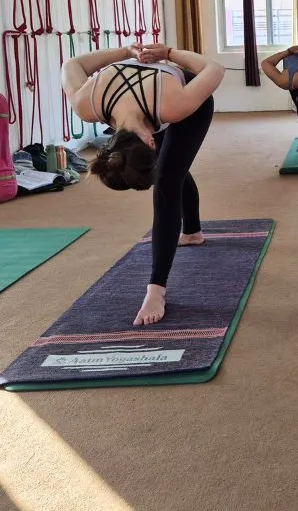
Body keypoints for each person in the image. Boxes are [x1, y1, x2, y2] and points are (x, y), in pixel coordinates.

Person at [62, 42, 225, 326]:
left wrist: (170, 53)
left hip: (186, 100)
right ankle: (193, 232)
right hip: (146, 98)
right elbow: (70, 66)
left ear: (151, 143)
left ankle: (156, 290)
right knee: (172, 167)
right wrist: (125, 52)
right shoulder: (87, 104)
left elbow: (214, 69)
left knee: (168, 177)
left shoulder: (176, 105)